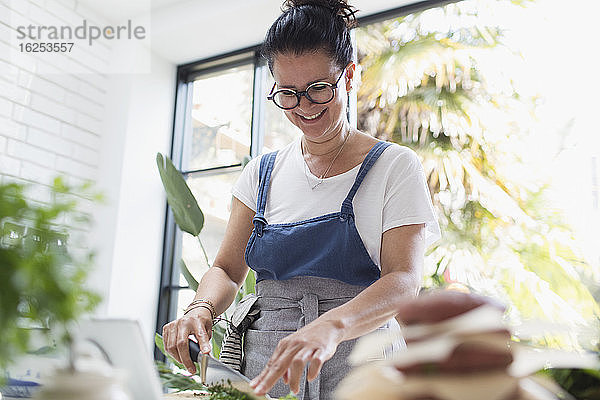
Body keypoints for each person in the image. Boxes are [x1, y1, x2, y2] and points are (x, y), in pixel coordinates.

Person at [162, 1, 441, 399]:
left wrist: (333, 324)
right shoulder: (262, 172)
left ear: (348, 76)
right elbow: (226, 269)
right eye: (288, 94)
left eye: (317, 89)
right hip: (264, 370)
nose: (304, 107)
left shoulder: (394, 166)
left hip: (363, 368)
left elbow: (404, 280)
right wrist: (200, 309)